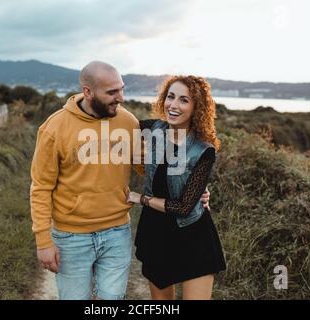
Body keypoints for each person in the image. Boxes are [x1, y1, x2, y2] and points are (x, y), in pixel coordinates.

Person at [30, 61, 211, 300]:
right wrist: (43, 240)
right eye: (112, 92)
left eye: (122, 89)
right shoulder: (54, 128)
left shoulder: (128, 122)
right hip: (71, 235)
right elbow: (41, 187)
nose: (121, 97)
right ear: (88, 92)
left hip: (116, 232)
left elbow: (148, 167)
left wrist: (195, 186)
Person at [127, 75, 226, 300]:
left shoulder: (204, 150)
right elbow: (118, 122)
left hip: (193, 235)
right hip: (156, 234)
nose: (173, 105)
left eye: (184, 100)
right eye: (170, 97)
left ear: (196, 107)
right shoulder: (153, 129)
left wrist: (140, 198)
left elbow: (183, 208)